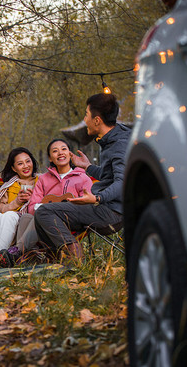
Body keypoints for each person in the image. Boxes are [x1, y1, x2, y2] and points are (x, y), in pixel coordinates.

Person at [34, 93, 131, 263]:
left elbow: (122, 182)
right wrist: (87, 167)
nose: (85, 119)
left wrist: (97, 198)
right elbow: (110, 176)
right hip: (109, 207)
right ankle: (55, 259)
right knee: (44, 212)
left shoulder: (118, 144)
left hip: (112, 212)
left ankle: (74, 255)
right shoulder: (114, 138)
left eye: (86, 114)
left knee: (44, 211)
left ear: (97, 120)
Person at [0, 138, 93, 266]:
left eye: (64, 149)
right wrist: (44, 208)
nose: (60, 153)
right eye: (55, 151)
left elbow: (88, 205)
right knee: (26, 217)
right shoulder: (43, 179)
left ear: (70, 154)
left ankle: (18, 252)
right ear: (50, 158)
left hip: (71, 222)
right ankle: (29, 255)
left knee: (41, 214)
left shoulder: (82, 178)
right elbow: (32, 206)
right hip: (43, 221)